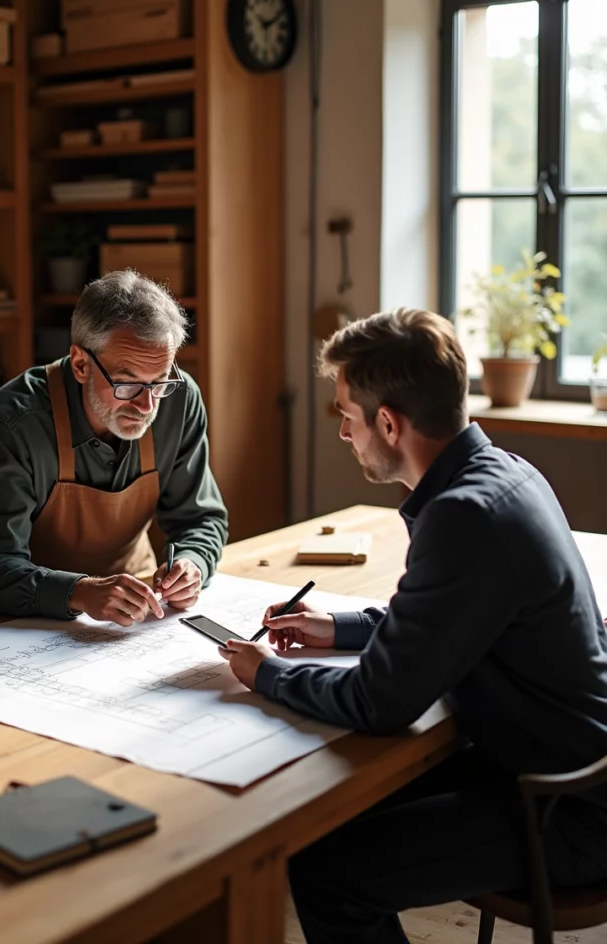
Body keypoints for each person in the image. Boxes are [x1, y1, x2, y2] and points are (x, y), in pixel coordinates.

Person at [219, 309, 607, 944]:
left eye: (346, 415)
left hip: (568, 808)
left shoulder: (463, 517)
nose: (344, 431)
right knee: (324, 824)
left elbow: (379, 702)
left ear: (389, 424)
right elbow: (449, 616)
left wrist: (269, 674)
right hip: (556, 764)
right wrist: (337, 629)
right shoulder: (505, 473)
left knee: (325, 872)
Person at [0, 270, 228, 627]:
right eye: (128, 384)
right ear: (81, 364)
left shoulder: (179, 401)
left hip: (140, 611)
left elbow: (200, 518)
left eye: (159, 382)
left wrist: (192, 563)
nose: (147, 406)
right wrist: (80, 592)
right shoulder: (15, 422)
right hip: (31, 622)